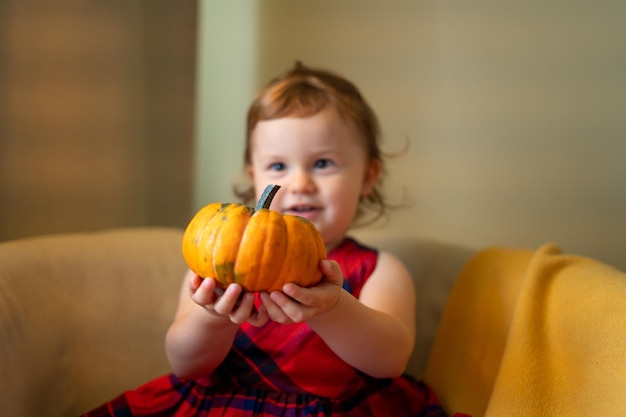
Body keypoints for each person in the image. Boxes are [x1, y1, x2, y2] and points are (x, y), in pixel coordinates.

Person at [83, 62, 463, 417]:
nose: (299, 184)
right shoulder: (218, 263)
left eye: (323, 163)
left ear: (367, 176)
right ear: (254, 176)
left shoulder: (378, 269)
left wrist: (331, 309)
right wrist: (213, 317)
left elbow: (390, 360)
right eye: (278, 166)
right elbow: (185, 364)